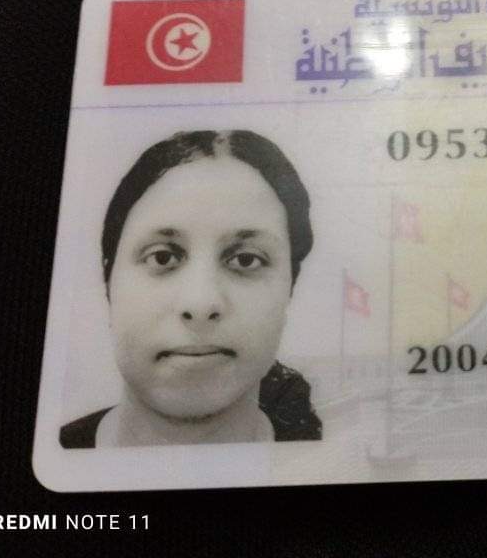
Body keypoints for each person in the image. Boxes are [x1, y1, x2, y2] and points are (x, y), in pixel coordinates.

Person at [60, 130, 321, 448]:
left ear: (290, 286)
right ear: (108, 280)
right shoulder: (56, 453)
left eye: (246, 260)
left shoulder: (329, 461)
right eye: (162, 257)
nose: (201, 303)